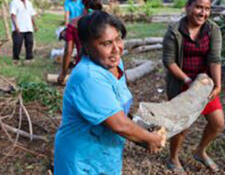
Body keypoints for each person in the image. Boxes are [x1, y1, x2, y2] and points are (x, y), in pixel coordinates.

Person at [54, 10, 164, 174]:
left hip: (104, 154)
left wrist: (141, 128)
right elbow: (119, 124)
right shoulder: (88, 77)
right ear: (87, 46)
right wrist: (150, 139)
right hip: (82, 162)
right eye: (106, 44)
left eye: (118, 39)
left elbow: (116, 107)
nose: (116, 49)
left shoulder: (115, 65)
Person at [162, 0, 225, 172]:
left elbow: (214, 59)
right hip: (182, 84)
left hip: (204, 85)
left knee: (218, 123)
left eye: (207, 9)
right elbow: (169, 61)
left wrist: (218, 85)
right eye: (198, 7)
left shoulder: (213, 30)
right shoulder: (174, 31)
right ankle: (173, 158)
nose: (202, 13)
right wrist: (188, 81)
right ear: (188, 7)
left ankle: (200, 151)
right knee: (182, 127)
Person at [58, 0, 103, 85]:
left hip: (84, 71)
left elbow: (68, 51)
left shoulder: (73, 24)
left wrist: (63, 74)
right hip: (103, 70)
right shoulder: (106, 21)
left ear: (82, 1)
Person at [10, 0, 38, 64]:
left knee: (29, 42)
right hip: (19, 27)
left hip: (28, 26)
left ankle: (29, 58)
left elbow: (31, 15)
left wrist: (34, 25)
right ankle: (16, 59)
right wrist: (16, 26)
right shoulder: (14, 2)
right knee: (17, 44)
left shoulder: (29, 3)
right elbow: (13, 15)